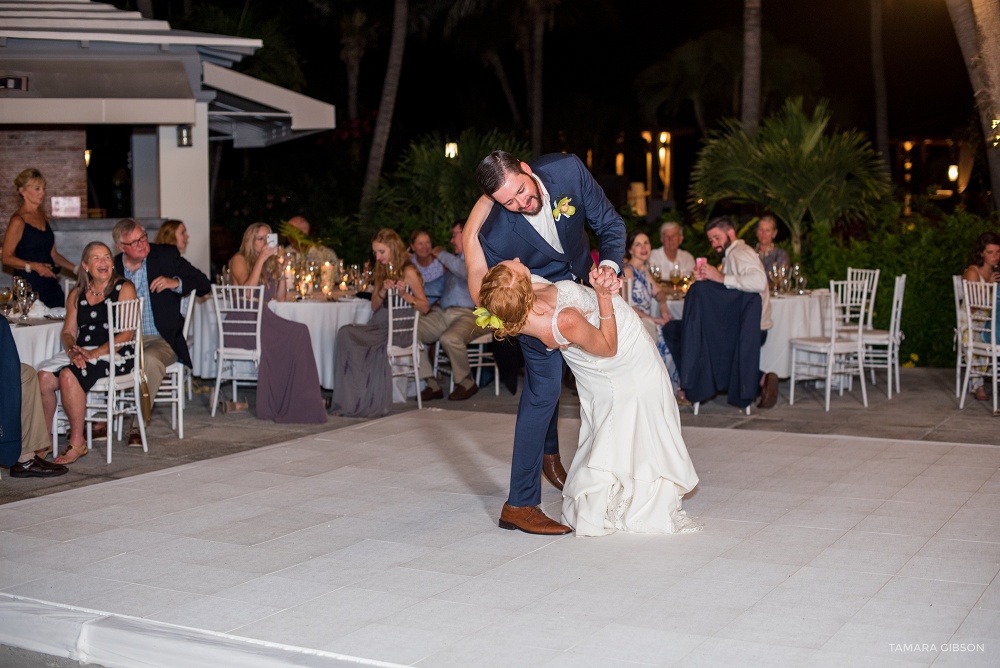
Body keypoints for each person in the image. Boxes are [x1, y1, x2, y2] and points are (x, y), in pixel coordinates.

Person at [464, 150, 626, 536]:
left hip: (589, 282)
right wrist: (540, 326)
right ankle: (519, 504)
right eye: (508, 202)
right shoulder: (496, 236)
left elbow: (609, 223)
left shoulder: (567, 171)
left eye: (521, 191)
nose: (521, 204)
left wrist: (610, 265)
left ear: (525, 168)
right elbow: (498, 298)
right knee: (543, 390)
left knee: (610, 378)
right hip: (537, 303)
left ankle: (551, 454)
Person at [476, 259, 701, 536]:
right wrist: (603, 297)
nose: (518, 259)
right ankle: (637, 497)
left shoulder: (512, 302)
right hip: (621, 355)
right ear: (520, 286)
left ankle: (619, 489)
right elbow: (608, 347)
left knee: (619, 420)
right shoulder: (563, 320)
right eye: (515, 266)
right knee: (639, 416)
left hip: (610, 353)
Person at [37, 242, 138, 464]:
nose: (103, 262)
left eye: (107, 257)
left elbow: (126, 335)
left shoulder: (124, 288)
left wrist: (94, 354)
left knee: (68, 375)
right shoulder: (77, 292)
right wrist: (74, 353)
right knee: (43, 377)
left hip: (117, 355)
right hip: (83, 353)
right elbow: (68, 332)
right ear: (85, 265)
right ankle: (46, 438)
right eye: (96, 258)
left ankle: (77, 441)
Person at [113, 218, 211, 443]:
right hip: (124, 340)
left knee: (149, 359)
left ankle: (137, 423)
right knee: (95, 354)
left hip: (161, 339)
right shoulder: (114, 266)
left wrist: (175, 283)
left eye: (143, 237)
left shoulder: (165, 255)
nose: (142, 244)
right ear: (121, 247)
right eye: (135, 242)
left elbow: (203, 282)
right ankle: (97, 422)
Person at [228, 223, 327, 423]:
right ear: (250, 241)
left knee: (299, 331)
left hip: (263, 317)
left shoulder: (268, 264)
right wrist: (262, 259)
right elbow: (247, 294)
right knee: (298, 332)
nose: (265, 243)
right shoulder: (239, 260)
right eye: (260, 239)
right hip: (244, 320)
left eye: (268, 238)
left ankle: (300, 401)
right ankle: (289, 402)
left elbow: (279, 299)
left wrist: (281, 273)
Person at [331, 229, 430, 417]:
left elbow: (425, 307)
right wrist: (383, 291)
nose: (377, 257)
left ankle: (365, 401)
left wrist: (405, 295)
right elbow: (375, 306)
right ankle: (352, 401)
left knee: (357, 339)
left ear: (392, 249)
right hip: (379, 322)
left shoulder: (408, 271)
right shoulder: (382, 270)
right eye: (375, 252)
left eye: (381, 252)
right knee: (345, 333)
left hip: (400, 327)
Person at [695, 216, 778, 408]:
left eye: (717, 238)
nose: (714, 244)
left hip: (752, 329)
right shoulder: (732, 254)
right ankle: (760, 379)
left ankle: (693, 386)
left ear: (730, 233)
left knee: (698, 337)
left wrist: (721, 277)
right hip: (745, 326)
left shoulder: (740, 253)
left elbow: (757, 282)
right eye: (711, 240)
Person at [417, 221, 490, 402]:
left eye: (454, 234)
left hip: (470, 315)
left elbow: (465, 272)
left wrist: (440, 253)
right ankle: (431, 384)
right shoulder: (454, 264)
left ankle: (467, 382)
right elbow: (433, 287)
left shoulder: (479, 257)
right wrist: (409, 287)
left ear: (466, 233)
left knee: (450, 338)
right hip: (443, 314)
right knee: (410, 332)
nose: (451, 239)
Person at [622, 230, 685, 403]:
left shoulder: (644, 270)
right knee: (669, 332)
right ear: (630, 250)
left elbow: (659, 293)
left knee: (676, 331)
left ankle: (672, 388)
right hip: (635, 321)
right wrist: (656, 319)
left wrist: (663, 304)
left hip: (647, 319)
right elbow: (626, 306)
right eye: (638, 244)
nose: (644, 248)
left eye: (646, 243)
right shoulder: (629, 271)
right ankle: (664, 391)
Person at [2, 168, 77, 308]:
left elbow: (53, 254)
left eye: (43, 188)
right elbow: (6, 257)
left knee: (61, 319)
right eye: (37, 188)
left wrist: (76, 269)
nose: (42, 192)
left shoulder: (42, 216)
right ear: (22, 191)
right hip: (28, 284)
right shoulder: (18, 220)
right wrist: (33, 266)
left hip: (50, 282)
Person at [961, 232, 1000, 402]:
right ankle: (978, 385)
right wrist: (990, 286)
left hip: (992, 319)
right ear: (982, 253)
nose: (995, 257)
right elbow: (973, 305)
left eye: (998, 252)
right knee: (983, 333)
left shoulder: (996, 272)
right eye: (990, 252)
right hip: (972, 322)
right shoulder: (972, 271)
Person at [410, 230, 446, 307]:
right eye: (420, 244)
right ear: (413, 246)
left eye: (428, 243)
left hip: (439, 308)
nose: (425, 247)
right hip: (416, 307)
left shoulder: (441, 262)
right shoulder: (409, 263)